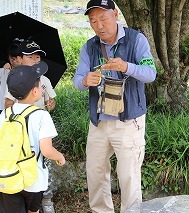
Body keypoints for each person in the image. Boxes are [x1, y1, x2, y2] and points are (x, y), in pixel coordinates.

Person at [73, 0, 157, 212]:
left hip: (128, 121)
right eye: (93, 21)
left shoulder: (136, 39)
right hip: (99, 121)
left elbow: (150, 74)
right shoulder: (89, 47)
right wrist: (85, 81)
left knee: (129, 174)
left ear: (115, 14)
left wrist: (126, 66)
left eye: (103, 18)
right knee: (95, 172)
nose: (99, 25)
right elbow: (77, 80)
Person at [0, 64, 65, 213]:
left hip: (9, 175)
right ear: (35, 91)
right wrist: (60, 157)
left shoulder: (6, 114)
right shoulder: (41, 115)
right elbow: (47, 150)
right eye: (41, 86)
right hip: (33, 178)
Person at [4, 39, 56, 111]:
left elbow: (50, 101)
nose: (34, 60)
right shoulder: (15, 79)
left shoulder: (45, 80)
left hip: (39, 119)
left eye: (37, 57)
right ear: (20, 59)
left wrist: (51, 104)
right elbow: (8, 103)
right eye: (30, 57)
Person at [0, 38, 23, 112]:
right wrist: (2, 63)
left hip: (20, 109)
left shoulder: (27, 72)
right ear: (9, 57)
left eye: (17, 57)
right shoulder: (4, 70)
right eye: (12, 58)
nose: (14, 60)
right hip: (3, 108)